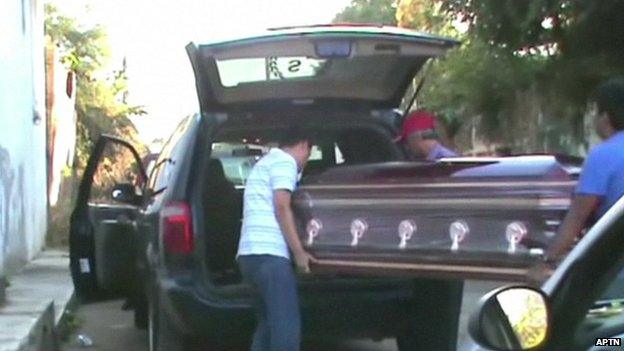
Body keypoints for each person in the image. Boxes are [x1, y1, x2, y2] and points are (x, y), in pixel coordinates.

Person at [236, 126, 316, 351]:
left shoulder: (264, 164)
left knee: (267, 326)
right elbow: (282, 207)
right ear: (302, 145)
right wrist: (299, 253)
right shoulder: (284, 162)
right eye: (308, 155)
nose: (306, 162)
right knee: (286, 332)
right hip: (270, 257)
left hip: (249, 257)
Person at [547, 78, 624, 262]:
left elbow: (577, 217)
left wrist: (547, 260)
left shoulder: (604, 155)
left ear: (605, 117)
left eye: (593, 112)